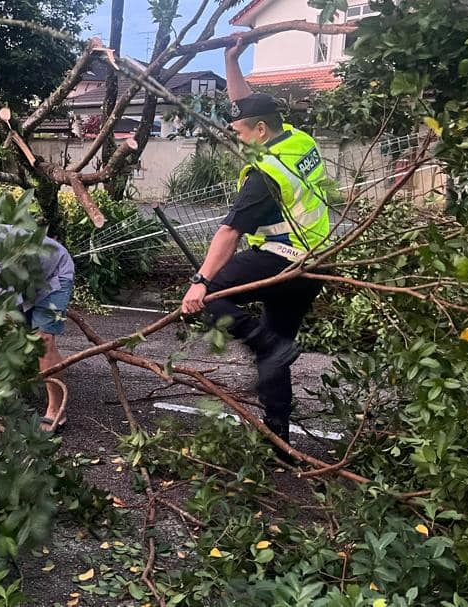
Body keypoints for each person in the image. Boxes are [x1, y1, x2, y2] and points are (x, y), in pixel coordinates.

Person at [180, 39, 332, 458]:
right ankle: (280, 439)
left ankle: (264, 344)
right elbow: (247, 102)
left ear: (260, 131)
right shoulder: (298, 141)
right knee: (278, 349)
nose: (237, 135)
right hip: (315, 265)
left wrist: (199, 281)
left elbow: (228, 233)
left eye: (241, 131)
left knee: (215, 297)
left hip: (280, 256)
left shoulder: (265, 174)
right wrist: (231, 59)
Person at [0, 225, 75, 432]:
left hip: (55, 275)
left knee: (43, 340)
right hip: (27, 280)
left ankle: (55, 411)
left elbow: (4, 309)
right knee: (19, 336)